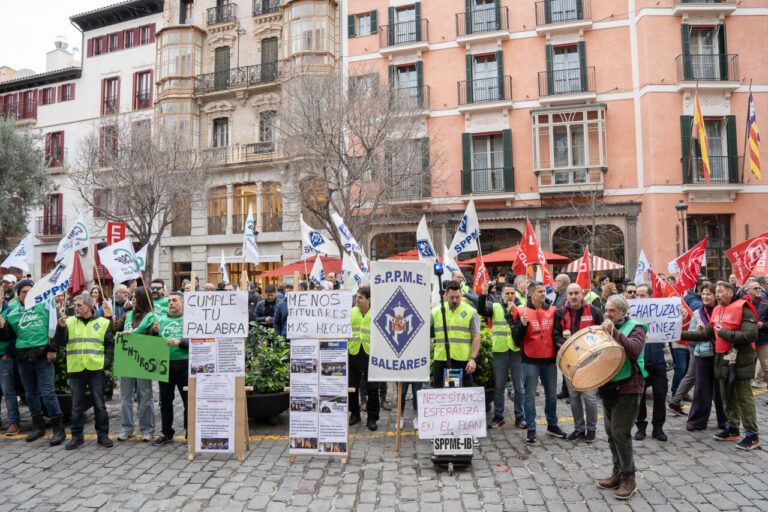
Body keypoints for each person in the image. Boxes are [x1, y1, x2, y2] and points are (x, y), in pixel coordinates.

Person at [681, 281, 759, 449]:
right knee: (726, 397)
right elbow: (705, 335)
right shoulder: (717, 310)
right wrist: (678, 334)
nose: (716, 294)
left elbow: (751, 334)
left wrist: (724, 333)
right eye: (715, 291)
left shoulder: (743, 308)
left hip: (741, 361)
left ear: (730, 293)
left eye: (720, 291)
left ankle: (752, 435)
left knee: (743, 398)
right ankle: (732, 429)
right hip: (723, 361)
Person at [0, 279, 64, 445]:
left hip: (42, 357)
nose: (27, 294)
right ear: (19, 295)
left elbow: (59, 329)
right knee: (30, 394)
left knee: (48, 393)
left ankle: (59, 428)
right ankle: (38, 426)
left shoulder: (46, 307)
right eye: (23, 292)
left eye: (30, 291)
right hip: (23, 359)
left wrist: (52, 349)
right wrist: (1, 327)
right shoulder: (13, 313)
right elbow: (7, 336)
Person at [596, 294, 647, 500]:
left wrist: (614, 332)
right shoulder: (606, 326)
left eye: (612, 311)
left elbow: (634, 350)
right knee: (610, 432)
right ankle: (618, 473)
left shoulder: (636, 327)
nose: (608, 314)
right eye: (606, 311)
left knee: (620, 432)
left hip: (629, 385)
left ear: (623, 311)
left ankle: (629, 478)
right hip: (609, 385)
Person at [52, 293, 114, 449]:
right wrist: (60, 328)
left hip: (96, 369)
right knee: (76, 406)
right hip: (76, 369)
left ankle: (103, 435)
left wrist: (106, 363)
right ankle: (77, 437)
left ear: (89, 306)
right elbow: (59, 342)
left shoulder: (103, 323)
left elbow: (109, 346)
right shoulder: (69, 321)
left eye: (79, 305)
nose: (76, 308)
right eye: (75, 305)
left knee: (100, 405)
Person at [510, 281, 566, 444]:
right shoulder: (521, 312)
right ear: (531, 294)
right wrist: (522, 325)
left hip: (549, 358)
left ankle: (552, 424)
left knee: (551, 395)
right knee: (529, 396)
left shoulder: (553, 310)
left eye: (544, 291)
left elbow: (558, 333)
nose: (543, 294)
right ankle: (531, 429)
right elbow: (516, 339)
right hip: (530, 359)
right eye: (540, 291)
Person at [553, 283, 604, 443]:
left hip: (589, 361)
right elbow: (555, 335)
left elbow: (602, 334)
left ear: (582, 294)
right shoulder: (560, 312)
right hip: (569, 361)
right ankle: (579, 428)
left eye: (576, 293)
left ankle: (592, 429)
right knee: (574, 396)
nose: (573, 296)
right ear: (566, 295)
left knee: (589, 397)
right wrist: (565, 344)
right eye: (570, 294)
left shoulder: (594, 311)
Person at [478, 281, 525, 430]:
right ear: (501, 295)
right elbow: (481, 310)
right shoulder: (496, 307)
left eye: (512, 293)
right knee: (498, 387)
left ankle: (520, 416)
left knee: (519, 387)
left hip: (516, 351)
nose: (510, 296)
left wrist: (516, 311)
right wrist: (483, 294)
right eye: (507, 293)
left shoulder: (521, 309)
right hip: (500, 351)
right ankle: (499, 416)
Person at [682, 282, 726, 431]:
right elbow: (692, 338)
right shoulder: (697, 313)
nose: (706, 297)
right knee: (701, 389)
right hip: (703, 354)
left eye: (709, 294)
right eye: (704, 294)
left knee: (721, 390)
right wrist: (699, 331)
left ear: (715, 296)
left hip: (720, 354)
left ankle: (724, 420)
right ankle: (696, 420)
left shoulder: (722, 312)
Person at [114, 287, 156, 441]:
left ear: (143, 298)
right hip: (126, 358)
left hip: (142, 360)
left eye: (135, 297)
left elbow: (152, 335)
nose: (132, 299)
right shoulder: (128, 314)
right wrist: (110, 318)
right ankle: (126, 428)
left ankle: (147, 429)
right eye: (132, 297)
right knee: (125, 396)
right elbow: (115, 329)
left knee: (145, 395)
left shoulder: (152, 316)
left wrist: (154, 331)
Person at [151, 292, 189, 446]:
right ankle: (167, 433)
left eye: (174, 300)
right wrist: (154, 332)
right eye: (169, 301)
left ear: (182, 303)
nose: (171, 303)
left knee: (189, 402)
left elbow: (196, 342)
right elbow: (152, 344)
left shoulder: (188, 320)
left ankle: (190, 432)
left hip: (184, 367)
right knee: (165, 402)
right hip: (164, 367)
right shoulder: (160, 320)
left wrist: (181, 342)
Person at [633, 284, 668, 442]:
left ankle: (658, 427)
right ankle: (641, 426)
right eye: (637, 295)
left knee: (660, 394)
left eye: (642, 295)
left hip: (657, 362)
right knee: (638, 397)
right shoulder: (631, 313)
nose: (639, 298)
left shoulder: (657, 312)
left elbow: (671, 322)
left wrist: (679, 314)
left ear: (650, 297)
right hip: (639, 363)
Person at [432, 280, 481, 390]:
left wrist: (473, 359)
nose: (455, 300)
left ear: (461, 294)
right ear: (446, 295)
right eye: (451, 297)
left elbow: (476, 337)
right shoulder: (436, 311)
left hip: (463, 360)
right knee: (439, 393)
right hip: (441, 359)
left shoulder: (470, 312)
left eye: (457, 297)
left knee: (464, 394)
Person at [348, 286, 379, 431]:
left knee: (372, 387)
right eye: (356, 297)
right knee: (352, 386)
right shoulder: (351, 311)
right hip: (353, 351)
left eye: (360, 297)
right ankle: (354, 414)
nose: (357, 300)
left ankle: (372, 417)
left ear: (369, 300)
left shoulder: (376, 313)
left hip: (370, 353)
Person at [0, 285, 19, 435]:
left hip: (4, 357)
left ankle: (14, 422)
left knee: (8, 391)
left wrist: (8, 353)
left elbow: (15, 335)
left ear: (1, 297)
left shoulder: (9, 312)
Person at [745, 281, 768, 390]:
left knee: (766, 366)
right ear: (748, 290)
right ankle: (746, 390)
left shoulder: (765, 303)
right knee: (747, 366)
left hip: (762, 339)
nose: (758, 290)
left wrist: (763, 324)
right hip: (747, 339)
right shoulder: (742, 303)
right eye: (755, 288)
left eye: (759, 288)